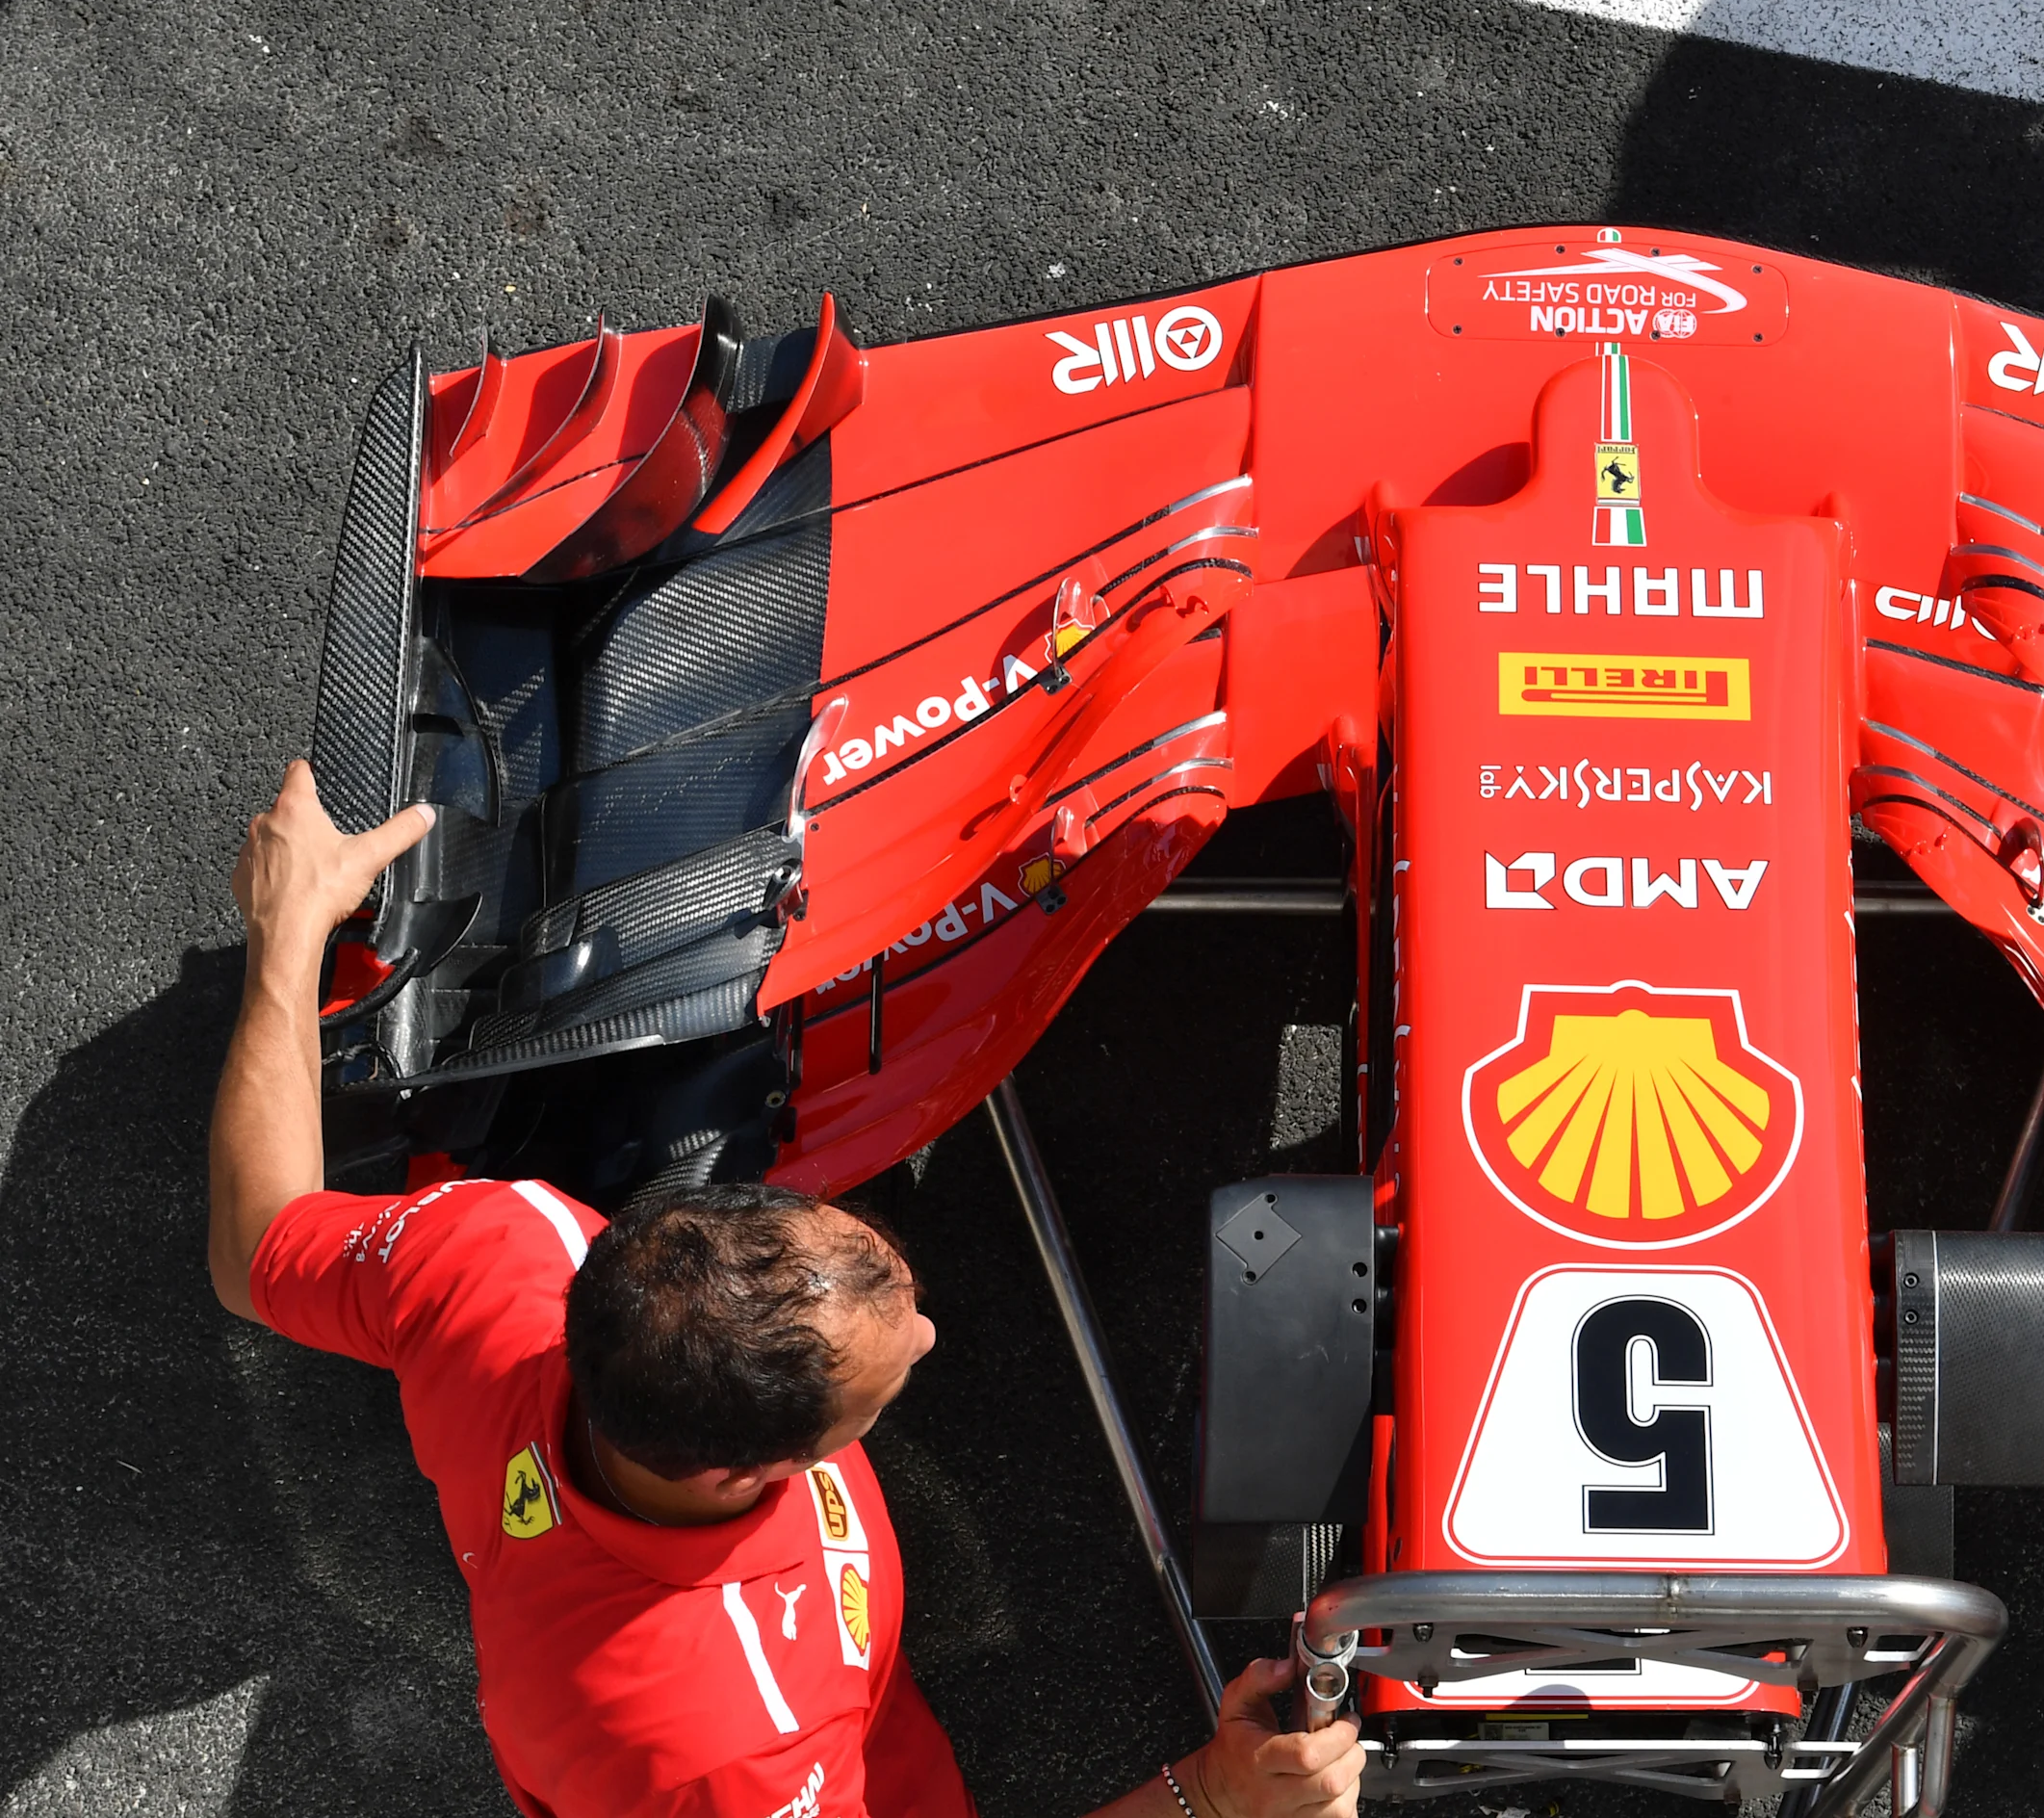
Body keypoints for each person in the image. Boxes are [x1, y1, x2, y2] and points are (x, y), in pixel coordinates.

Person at [210, 761, 1363, 1818]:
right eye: (885, 1375)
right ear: (744, 1475)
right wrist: (1208, 1798)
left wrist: (289, 927)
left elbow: (256, 1247)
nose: (923, 1333)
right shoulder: (721, 1746)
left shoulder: (501, 1245)